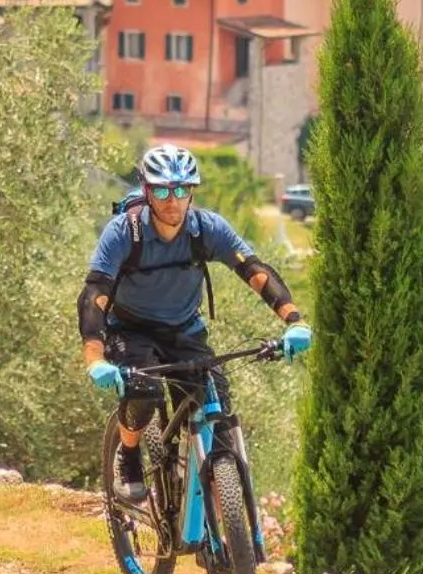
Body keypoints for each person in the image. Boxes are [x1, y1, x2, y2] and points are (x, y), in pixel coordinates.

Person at [78, 144, 311, 501]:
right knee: (145, 391)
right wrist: (95, 358)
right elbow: (95, 295)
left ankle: (223, 524)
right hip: (131, 329)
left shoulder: (207, 230)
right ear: (146, 191)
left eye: (182, 190)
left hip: (184, 329)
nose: (172, 201)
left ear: (192, 192)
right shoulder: (124, 233)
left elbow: (255, 271)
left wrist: (294, 320)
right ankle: (127, 455)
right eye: (161, 190)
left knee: (214, 406)